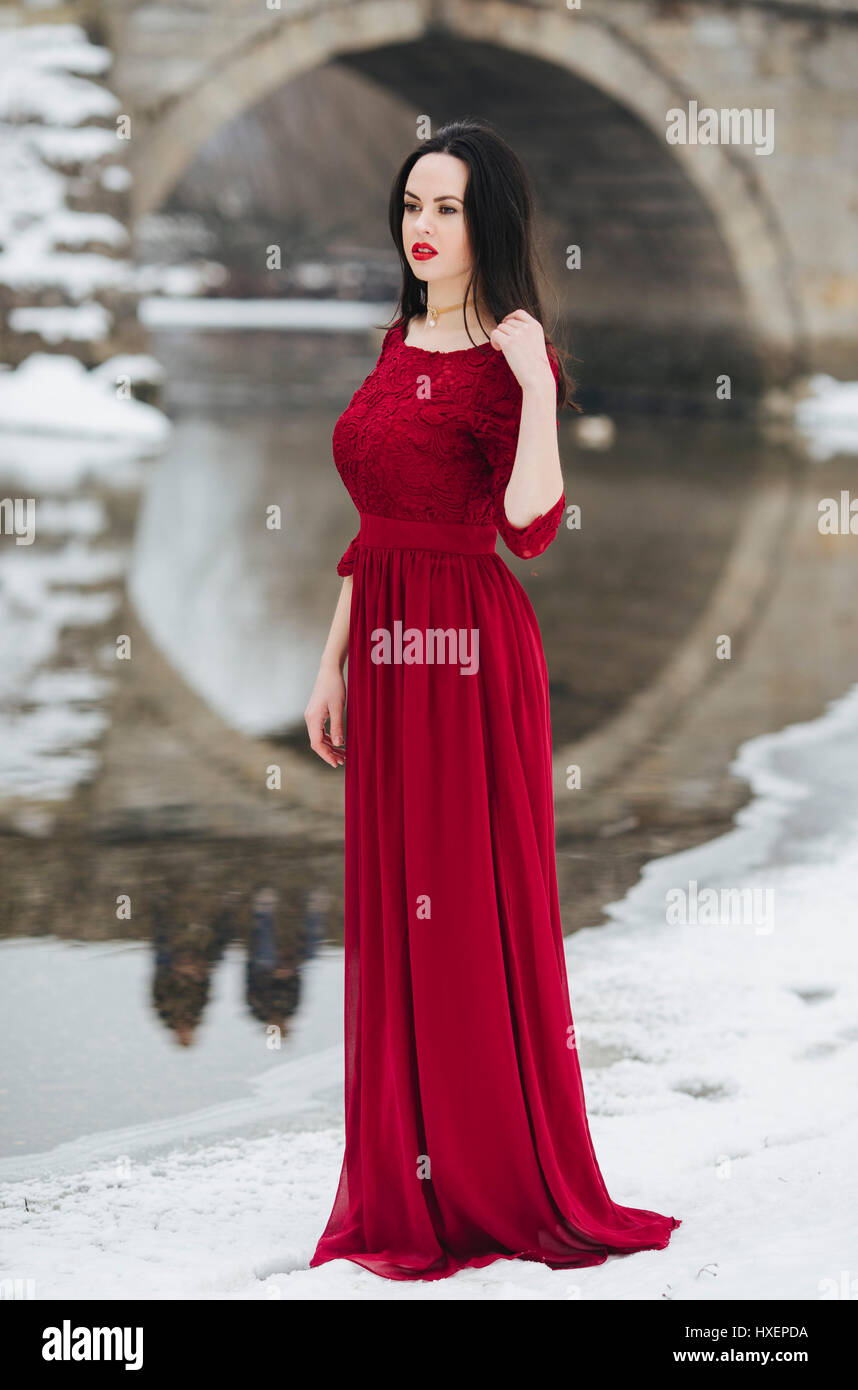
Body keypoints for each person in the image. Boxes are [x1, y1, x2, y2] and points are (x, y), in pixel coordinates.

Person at [305, 117, 681, 1281]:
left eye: (447, 207)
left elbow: (527, 526)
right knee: (394, 910)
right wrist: (331, 658)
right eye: (411, 204)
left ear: (491, 224)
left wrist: (529, 387)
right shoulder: (396, 336)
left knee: (463, 907)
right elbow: (369, 523)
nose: (421, 227)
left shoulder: (512, 359)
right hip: (381, 636)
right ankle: (404, 1169)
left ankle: (488, 1176)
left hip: (465, 649)